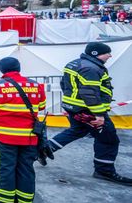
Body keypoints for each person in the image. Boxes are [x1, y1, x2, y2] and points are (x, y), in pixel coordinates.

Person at [49, 42, 132, 185]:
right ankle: (104, 171)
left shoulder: (75, 64)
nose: (110, 55)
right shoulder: (91, 68)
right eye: (107, 53)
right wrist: (99, 115)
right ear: (96, 53)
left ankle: (42, 150)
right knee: (108, 139)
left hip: (75, 107)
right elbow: (89, 93)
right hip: (89, 110)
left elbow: (65, 85)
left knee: (77, 130)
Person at [0, 57, 47, 203]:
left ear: (2, 69)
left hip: (3, 135)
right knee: (26, 168)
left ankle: (2, 202)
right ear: (19, 67)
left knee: (4, 168)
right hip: (30, 136)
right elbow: (42, 106)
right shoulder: (36, 85)